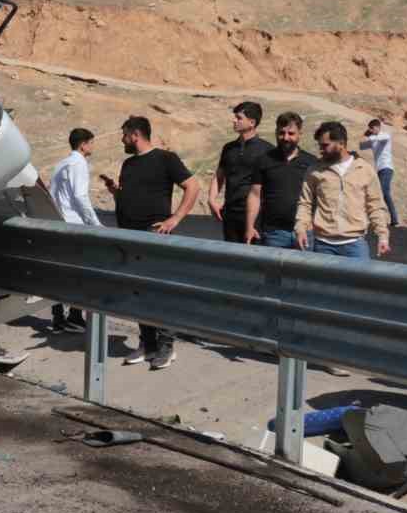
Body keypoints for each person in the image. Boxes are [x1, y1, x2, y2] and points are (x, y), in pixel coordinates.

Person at [100, 116, 200, 370]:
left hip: (153, 234)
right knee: (138, 292)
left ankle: (167, 346)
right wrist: (115, 192)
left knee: (158, 292)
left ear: (135, 135)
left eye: (124, 134)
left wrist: (174, 219)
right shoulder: (129, 164)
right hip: (129, 236)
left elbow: (192, 186)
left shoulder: (166, 159)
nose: (122, 139)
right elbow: (131, 196)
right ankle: (148, 344)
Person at [294, 121, 390, 260]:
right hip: (323, 246)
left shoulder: (364, 169)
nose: (321, 149)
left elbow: (375, 206)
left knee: (359, 282)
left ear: (341, 143)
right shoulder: (314, 171)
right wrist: (301, 229)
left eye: (325, 145)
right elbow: (305, 203)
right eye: (320, 145)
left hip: (355, 245)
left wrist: (383, 236)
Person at [48, 127, 101, 332]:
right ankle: (75, 317)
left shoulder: (61, 164)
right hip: (76, 226)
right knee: (81, 273)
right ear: (83, 144)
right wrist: (95, 223)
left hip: (60, 223)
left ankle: (58, 318)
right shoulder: (79, 163)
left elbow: (52, 195)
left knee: (60, 273)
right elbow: (80, 196)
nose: (93, 146)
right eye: (91, 142)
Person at [244, 112, 317, 249]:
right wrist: (249, 226)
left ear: (300, 134)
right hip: (273, 233)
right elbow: (254, 195)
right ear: (276, 132)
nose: (286, 137)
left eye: (291, 133)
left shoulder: (312, 162)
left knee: (306, 271)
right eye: (281, 133)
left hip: (305, 232)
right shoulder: (263, 160)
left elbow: (320, 197)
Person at [209, 101, 273, 244]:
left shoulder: (267, 150)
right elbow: (219, 176)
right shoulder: (228, 148)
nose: (234, 121)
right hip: (230, 214)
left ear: (252, 122)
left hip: (255, 216)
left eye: (239, 118)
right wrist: (212, 199)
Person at [360, 118, 400, 227]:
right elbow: (361, 146)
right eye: (370, 129)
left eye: (372, 129)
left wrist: (371, 136)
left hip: (387, 168)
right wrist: (365, 135)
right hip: (379, 170)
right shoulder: (373, 139)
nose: (371, 131)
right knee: (385, 194)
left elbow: (382, 138)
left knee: (381, 192)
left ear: (377, 127)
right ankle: (394, 219)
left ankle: (377, 219)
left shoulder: (384, 136)